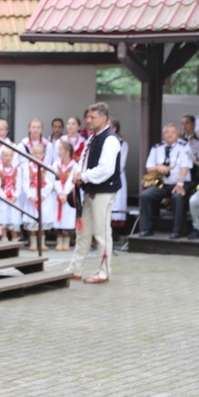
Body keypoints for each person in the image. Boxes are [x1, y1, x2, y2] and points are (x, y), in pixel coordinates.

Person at [65, 102, 121, 285]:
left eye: (92, 117)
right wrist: (77, 175)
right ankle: (75, 268)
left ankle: (104, 272)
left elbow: (105, 169)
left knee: (102, 233)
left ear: (104, 119)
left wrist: (83, 176)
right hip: (90, 190)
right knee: (83, 231)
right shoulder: (92, 138)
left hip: (103, 191)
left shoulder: (110, 140)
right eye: (87, 117)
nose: (88, 120)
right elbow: (83, 160)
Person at [138, 124, 193, 239]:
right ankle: (147, 228)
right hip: (163, 182)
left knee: (177, 197)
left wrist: (180, 184)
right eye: (167, 132)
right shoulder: (156, 148)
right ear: (163, 135)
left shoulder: (184, 146)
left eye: (173, 132)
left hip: (180, 181)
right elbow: (149, 168)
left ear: (178, 135)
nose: (170, 135)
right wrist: (158, 167)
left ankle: (177, 231)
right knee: (145, 195)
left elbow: (185, 166)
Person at [21, 144, 55, 251]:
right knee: (32, 218)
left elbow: (50, 182)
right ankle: (33, 242)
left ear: (43, 154)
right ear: (31, 153)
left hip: (43, 195)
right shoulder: (27, 167)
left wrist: (44, 194)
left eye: (40, 153)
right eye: (35, 153)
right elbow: (25, 182)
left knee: (42, 219)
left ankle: (42, 242)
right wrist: (30, 195)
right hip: (32, 194)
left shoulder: (47, 166)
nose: (37, 155)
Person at [0, 147, 22, 241]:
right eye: (5, 155)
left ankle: (14, 236)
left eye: (10, 155)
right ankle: (4, 236)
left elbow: (19, 184)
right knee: (2, 215)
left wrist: (15, 196)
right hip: (1, 198)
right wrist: (4, 197)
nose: (8, 158)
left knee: (13, 216)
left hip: (13, 197)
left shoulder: (17, 170)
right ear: (1, 157)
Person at [52, 140, 79, 251]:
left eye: (60, 149)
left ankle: (66, 241)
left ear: (67, 152)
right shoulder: (55, 164)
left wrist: (65, 193)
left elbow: (71, 180)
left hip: (68, 195)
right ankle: (59, 241)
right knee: (58, 218)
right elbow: (54, 179)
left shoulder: (75, 165)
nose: (58, 152)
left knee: (68, 217)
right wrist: (59, 192)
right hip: (58, 195)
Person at [110, 120, 128, 226]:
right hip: (104, 176)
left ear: (114, 128)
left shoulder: (123, 144)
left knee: (116, 202)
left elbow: (121, 164)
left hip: (116, 175)